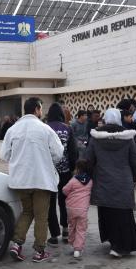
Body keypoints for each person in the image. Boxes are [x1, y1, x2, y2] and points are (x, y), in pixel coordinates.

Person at [0, 97, 64, 263]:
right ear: (37, 109)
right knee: (41, 215)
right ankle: (39, 251)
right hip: (41, 179)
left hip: (20, 180)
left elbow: (4, 155)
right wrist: (45, 160)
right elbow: (58, 153)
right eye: (41, 108)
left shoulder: (13, 130)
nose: (41, 111)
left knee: (27, 211)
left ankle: (16, 244)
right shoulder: (45, 129)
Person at [86, 108, 136, 257]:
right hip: (123, 181)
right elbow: (135, 160)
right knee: (123, 214)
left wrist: (88, 176)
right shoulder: (127, 137)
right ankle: (121, 246)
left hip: (103, 181)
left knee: (107, 213)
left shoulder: (96, 137)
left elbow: (89, 160)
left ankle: (113, 241)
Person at [46, 103, 78, 246]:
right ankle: (66, 231)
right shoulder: (67, 128)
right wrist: (72, 168)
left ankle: (54, 235)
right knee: (64, 202)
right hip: (65, 172)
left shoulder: (44, 128)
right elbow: (73, 152)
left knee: (50, 203)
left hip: (48, 172)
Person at [62, 159, 93, 258]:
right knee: (81, 229)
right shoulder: (90, 181)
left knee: (72, 226)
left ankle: (72, 242)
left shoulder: (73, 180)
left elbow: (64, 190)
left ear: (77, 169)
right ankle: (78, 248)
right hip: (83, 209)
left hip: (71, 208)